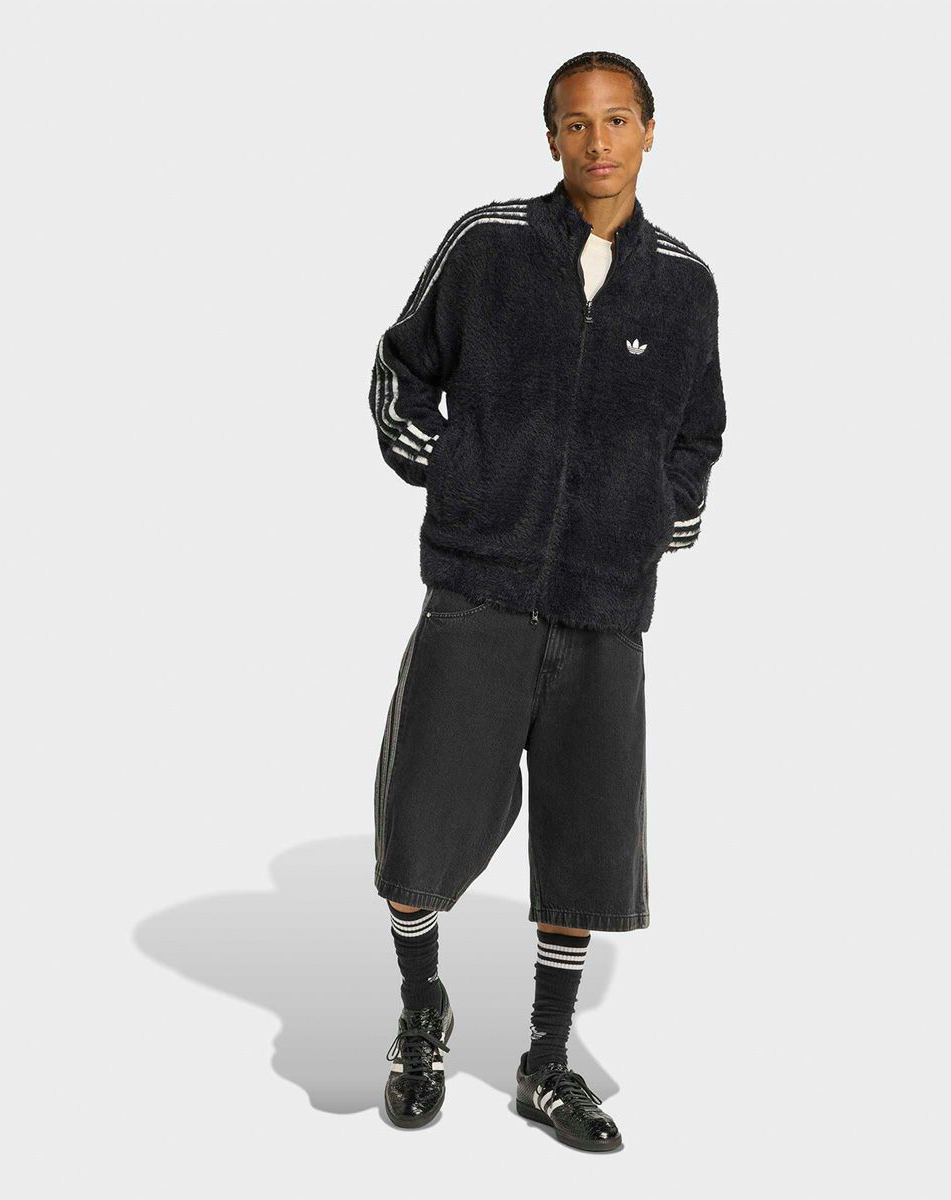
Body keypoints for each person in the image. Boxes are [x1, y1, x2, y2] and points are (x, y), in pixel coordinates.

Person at [369, 49, 726, 1152]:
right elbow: (400, 366)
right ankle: (421, 1011)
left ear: (650, 130)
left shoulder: (684, 284)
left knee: (582, 847)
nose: (598, 141)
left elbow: (699, 433)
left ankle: (545, 1057)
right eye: (577, 123)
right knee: (417, 836)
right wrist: (455, 477)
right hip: (479, 587)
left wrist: (649, 525)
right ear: (553, 140)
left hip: (604, 608)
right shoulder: (489, 246)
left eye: (618, 120)